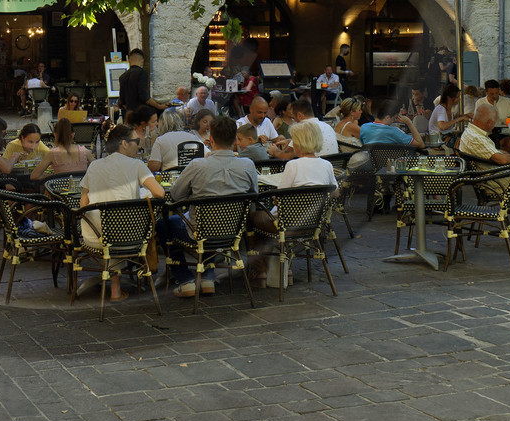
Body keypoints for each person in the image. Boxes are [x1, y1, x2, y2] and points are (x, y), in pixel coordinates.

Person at [162, 115, 262, 296]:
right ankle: (208, 276)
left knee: (164, 224)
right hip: (233, 229)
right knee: (209, 223)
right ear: (234, 141)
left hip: (199, 230)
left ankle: (185, 278)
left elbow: (176, 196)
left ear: (211, 139)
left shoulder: (197, 165)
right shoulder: (247, 165)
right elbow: (253, 194)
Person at [78, 124, 165, 301]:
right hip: (130, 238)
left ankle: (114, 287)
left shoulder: (94, 165)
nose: (139, 146)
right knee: (123, 227)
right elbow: (160, 193)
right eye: (136, 142)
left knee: (110, 227)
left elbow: (83, 202)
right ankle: (117, 288)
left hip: (95, 237)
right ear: (124, 143)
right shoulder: (136, 165)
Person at [271, 118, 337, 189]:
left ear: (298, 144)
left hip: (297, 199)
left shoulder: (293, 165)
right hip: (321, 200)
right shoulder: (327, 165)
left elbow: (281, 193)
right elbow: (335, 191)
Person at [118, 48, 167, 115]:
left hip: (128, 115)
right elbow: (143, 96)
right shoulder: (142, 73)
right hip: (140, 114)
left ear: (129, 61)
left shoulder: (122, 76)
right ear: (142, 61)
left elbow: (122, 100)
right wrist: (159, 106)